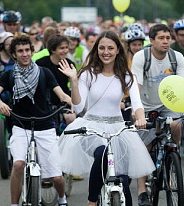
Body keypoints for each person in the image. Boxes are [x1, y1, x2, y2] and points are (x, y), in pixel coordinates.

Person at [57, 30, 155, 206]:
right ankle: (92, 201)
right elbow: (78, 107)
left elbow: (137, 104)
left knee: (124, 182)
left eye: (110, 48)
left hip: (118, 129)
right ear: (96, 50)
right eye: (101, 48)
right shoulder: (87, 74)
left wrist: (140, 119)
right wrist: (74, 81)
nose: (106, 52)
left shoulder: (127, 75)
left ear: (118, 50)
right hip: (91, 128)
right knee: (101, 154)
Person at [0, 35, 71, 206]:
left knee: (56, 176)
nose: (25, 54)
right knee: (18, 165)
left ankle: (62, 200)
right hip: (20, 125)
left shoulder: (44, 73)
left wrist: (72, 103)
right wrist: (0, 103)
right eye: (20, 51)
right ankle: (14, 204)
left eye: (27, 50)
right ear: (14, 55)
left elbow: (62, 94)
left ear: (32, 52)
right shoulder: (9, 75)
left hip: (45, 125)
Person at [130, 23, 184, 206]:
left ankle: (173, 149)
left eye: (168, 38)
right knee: (143, 147)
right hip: (147, 105)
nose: (166, 42)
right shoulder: (142, 57)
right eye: (161, 38)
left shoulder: (176, 57)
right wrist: (136, 110)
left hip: (170, 103)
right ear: (152, 40)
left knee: (176, 124)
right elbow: (136, 86)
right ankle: (142, 191)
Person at [36, 34, 77, 126]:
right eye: (62, 48)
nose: (65, 50)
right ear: (53, 50)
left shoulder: (70, 64)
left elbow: (75, 85)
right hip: (45, 101)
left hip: (64, 100)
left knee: (71, 118)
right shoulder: (40, 63)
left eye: (67, 47)